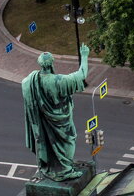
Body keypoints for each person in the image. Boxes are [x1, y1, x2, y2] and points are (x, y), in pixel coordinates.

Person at [22, 45, 91, 181]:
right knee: (69, 140)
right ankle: (65, 170)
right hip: (62, 122)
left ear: (40, 64)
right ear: (52, 63)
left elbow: (25, 86)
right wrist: (84, 56)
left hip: (45, 123)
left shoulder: (30, 81)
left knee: (49, 143)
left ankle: (53, 167)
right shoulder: (59, 81)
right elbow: (82, 74)